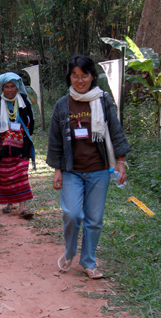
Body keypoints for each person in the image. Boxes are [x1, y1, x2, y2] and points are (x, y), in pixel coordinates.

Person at [46, 55, 130, 278]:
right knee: (72, 214)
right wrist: (57, 170)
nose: (79, 80)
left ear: (92, 76)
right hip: (72, 170)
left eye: (84, 76)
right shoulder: (62, 104)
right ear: (69, 77)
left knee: (94, 220)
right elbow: (55, 139)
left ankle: (89, 262)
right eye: (75, 76)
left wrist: (120, 162)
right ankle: (70, 252)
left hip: (99, 169)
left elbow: (115, 130)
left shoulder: (103, 100)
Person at [0, 72, 35, 219]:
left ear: (17, 87)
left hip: (21, 147)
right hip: (2, 148)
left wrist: (26, 144)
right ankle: (9, 203)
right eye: (6, 87)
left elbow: (30, 123)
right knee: (6, 176)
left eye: (12, 87)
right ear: (2, 88)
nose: (10, 90)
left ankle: (23, 208)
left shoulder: (24, 101)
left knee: (21, 175)